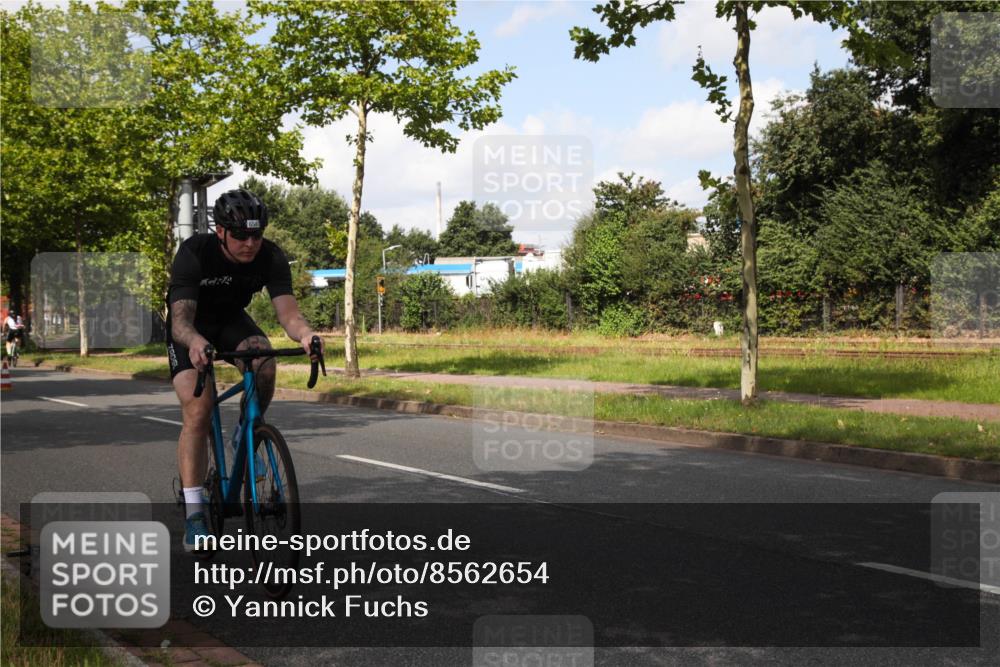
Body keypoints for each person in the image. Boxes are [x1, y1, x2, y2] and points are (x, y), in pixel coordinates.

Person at [166, 189, 323, 552]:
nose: (250, 243)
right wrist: (193, 342)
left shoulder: (270, 257)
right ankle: (195, 517)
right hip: (190, 329)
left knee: (264, 359)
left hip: (231, 322)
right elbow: (180, 321)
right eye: (240, 235)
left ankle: (245, 431)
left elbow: (289, 316)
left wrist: (306, 334)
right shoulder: (195, 253)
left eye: (257, 234)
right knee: (199, 409)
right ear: (220, 231)